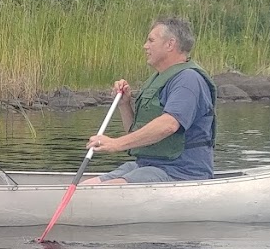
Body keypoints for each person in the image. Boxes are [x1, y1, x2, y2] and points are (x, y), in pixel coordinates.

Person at [81, 17, 217, 186]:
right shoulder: (158, 79)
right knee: (87, 186)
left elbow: (168, 125)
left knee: (103, 190)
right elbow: (135, 132)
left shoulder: (188, 80)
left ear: (170, 44)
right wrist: (124, 103)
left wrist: (116, 144)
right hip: (147, 165)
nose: (145, 46)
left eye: (151, 40)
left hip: (180, 171)